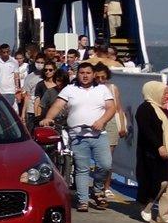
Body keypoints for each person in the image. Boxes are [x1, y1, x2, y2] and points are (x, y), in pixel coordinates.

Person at [41, 62, 115, 211]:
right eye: (82, 73)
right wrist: (48, 118)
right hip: (78, 136)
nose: (85, 76)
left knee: (105, 165)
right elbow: (57, 105)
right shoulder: (70, 89)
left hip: (99, 134)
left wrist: (101, 121)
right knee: (82, 169)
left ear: (93, 75)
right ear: (77, 74)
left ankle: (98, 190)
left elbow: (111, 108)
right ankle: (83, 200)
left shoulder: (102, 89)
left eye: (88, 73)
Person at [135, 81, 168, 223]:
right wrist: (159, 146)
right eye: (164, 93)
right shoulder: (145, 109)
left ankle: (164, 215)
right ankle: (147, 206)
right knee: (159, 182)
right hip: (155, 152)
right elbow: (146, 131)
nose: (167, 96)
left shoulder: (164, 109)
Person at [92, 62, 126, 199]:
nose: (101, 80)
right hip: (95, 121)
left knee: (108, 159)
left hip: (111, 123)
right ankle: (97, 185)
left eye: (103, 77)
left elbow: (119, 108)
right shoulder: (91, 89)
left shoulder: (113, 88)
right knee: (98, 158)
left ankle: (106, 187)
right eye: (98, 77)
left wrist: (122, 125)